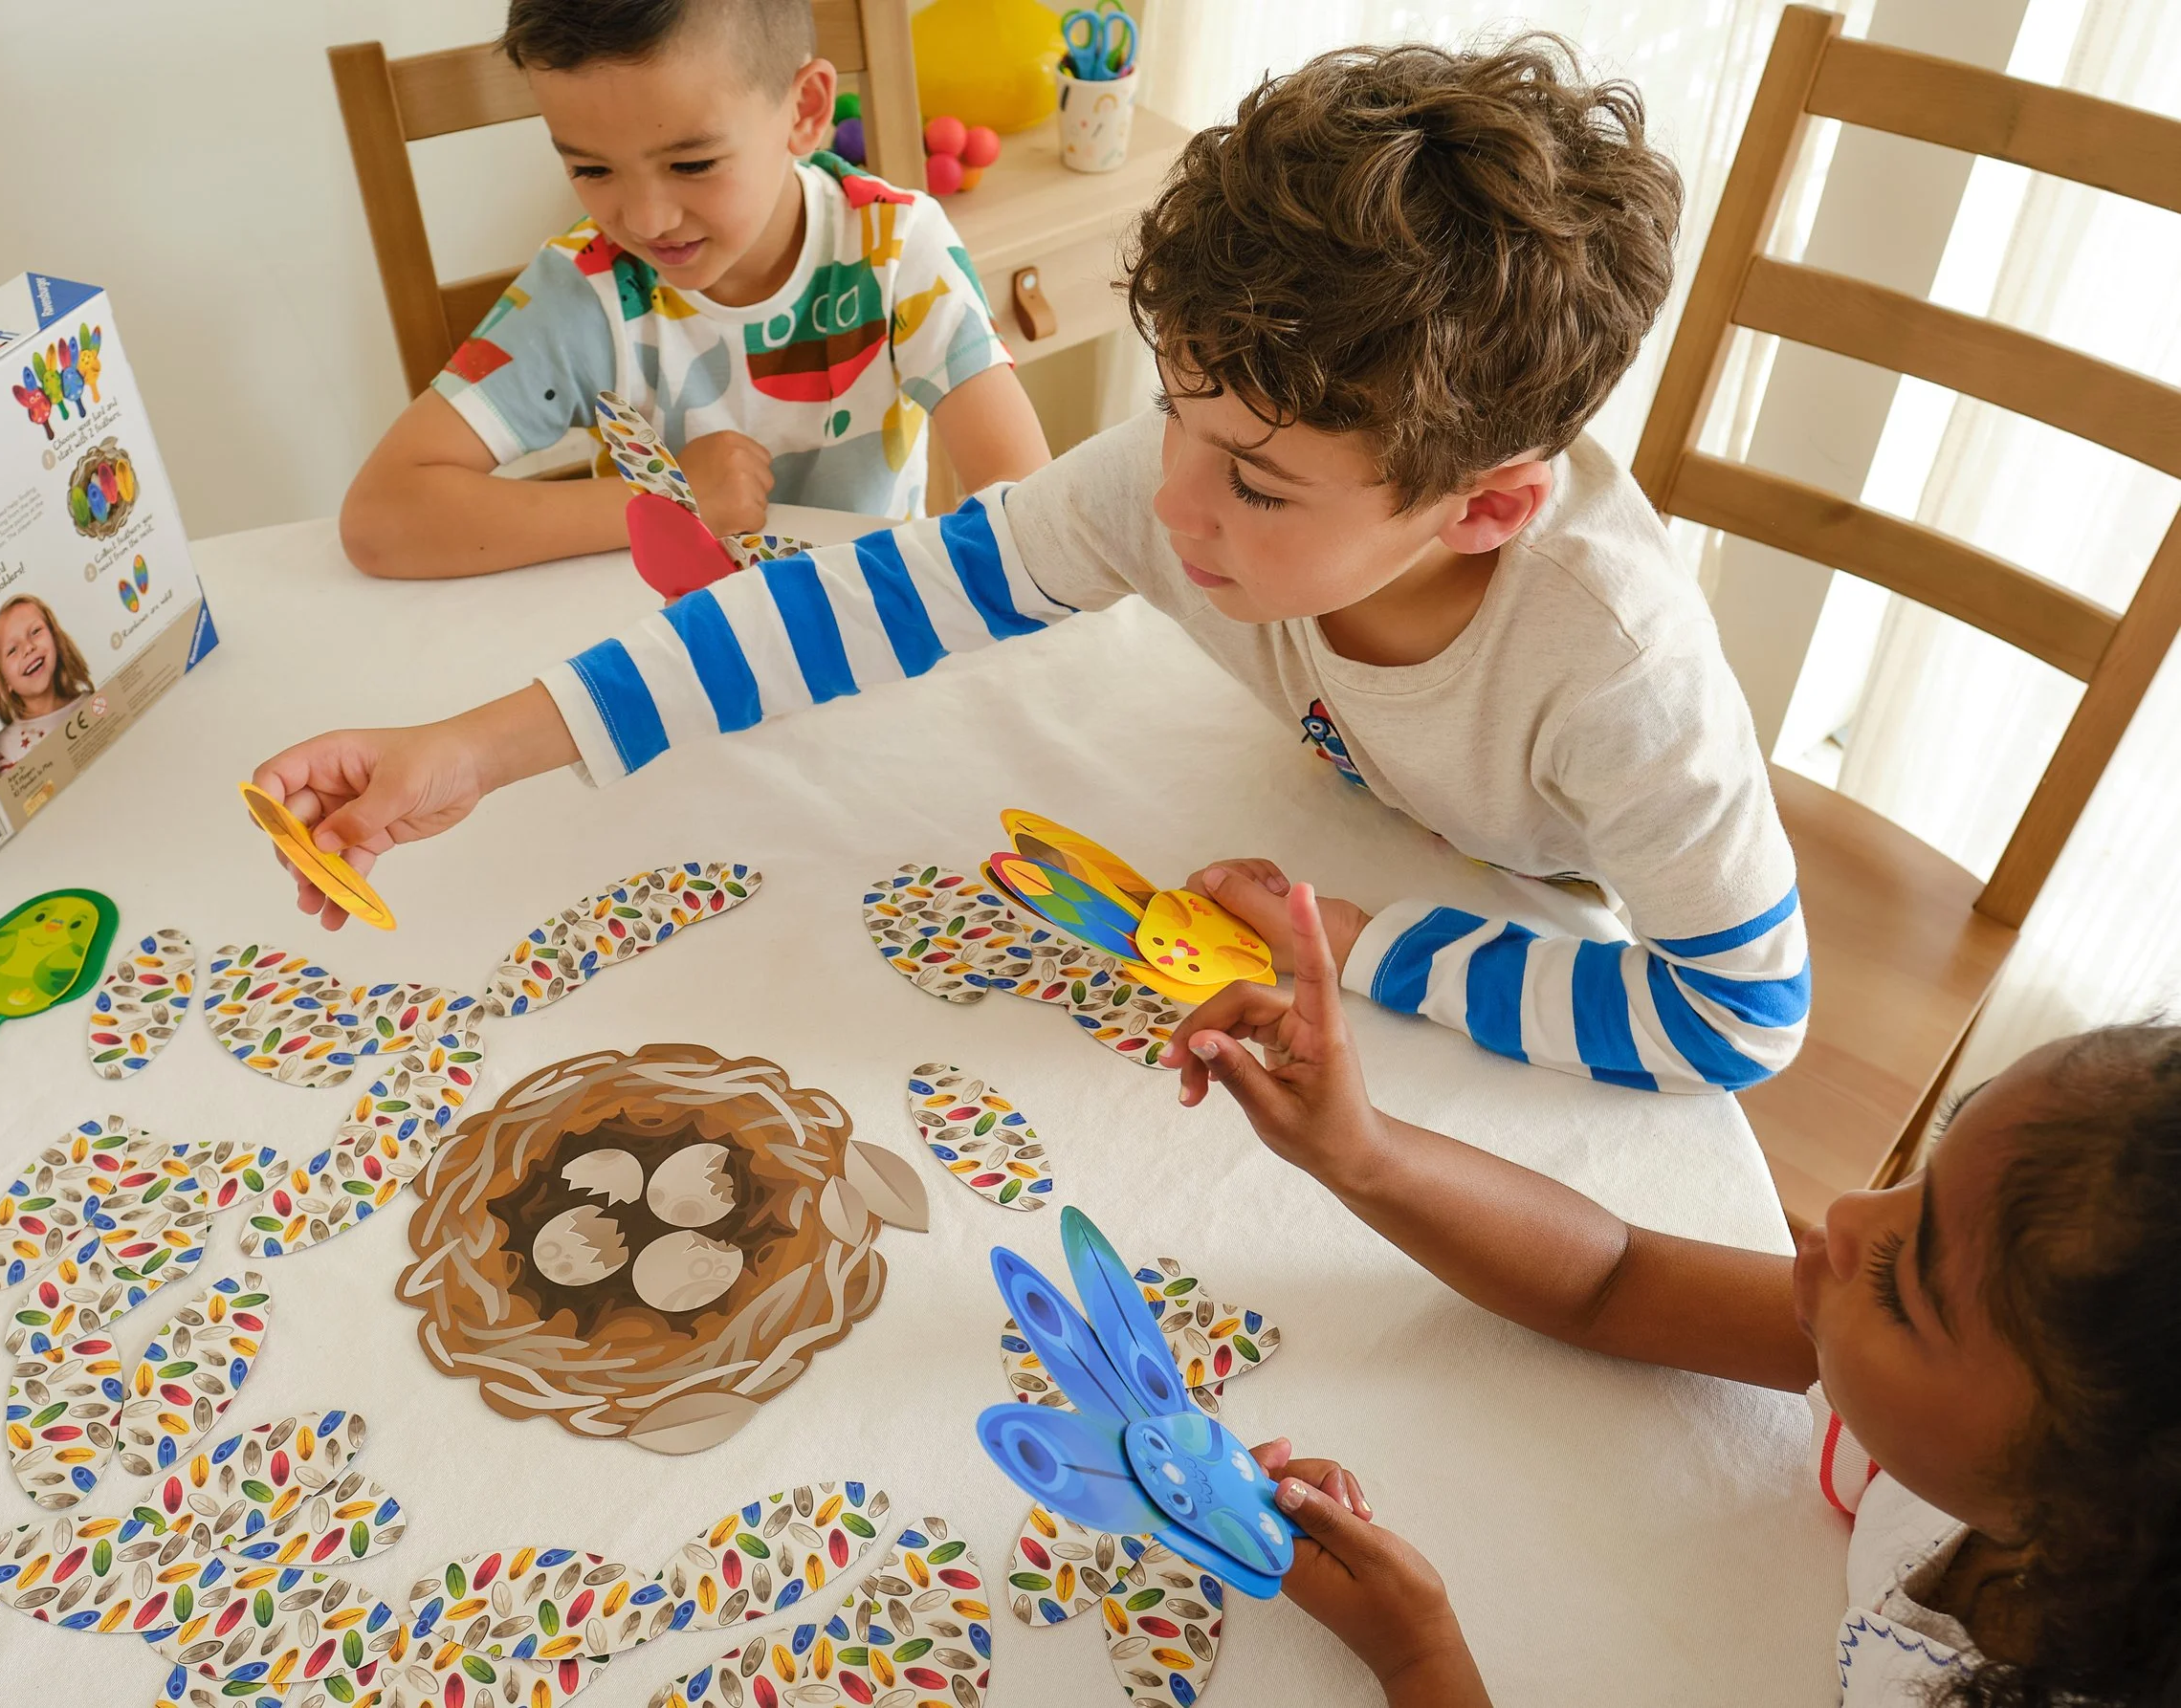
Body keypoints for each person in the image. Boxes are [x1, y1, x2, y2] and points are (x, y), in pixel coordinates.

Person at [256, 38, 1807, 1093]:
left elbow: (1740, 1018)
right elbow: (853, 606)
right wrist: (470, 749)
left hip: (1519, 903)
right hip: (1343, 804)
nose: (1169, 504)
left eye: (1256, 483)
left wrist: (1360, 942)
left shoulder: (1620, 677)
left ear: (1482, 511)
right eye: (1174, 414)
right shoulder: (1181, 478)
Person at [1180, 883, 2181, 1706]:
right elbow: (1614, 1279)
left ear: (2089, 1529)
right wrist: (1363, 1153)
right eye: (1919, 1177)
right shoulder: (2016, 1396)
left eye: (1900, 1277)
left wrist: (1418, 1656)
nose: (1844, 1216)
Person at [340, 0, 1049, 580]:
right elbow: (380, 519)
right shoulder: (587, 291)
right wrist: (668, 502)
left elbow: (1027, 512)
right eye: (591, 170)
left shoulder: (896, 248)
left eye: (692, 164)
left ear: (804, 110)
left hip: (871, 629)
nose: (645, 221)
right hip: (663, 647)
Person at [0, 595, 95, 794]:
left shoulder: (92, 703)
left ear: (55, 639)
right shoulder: (8, 746)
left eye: (35, 631)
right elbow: (12, 809)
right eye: (12, 650)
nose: (28, 648)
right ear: (5, 681)